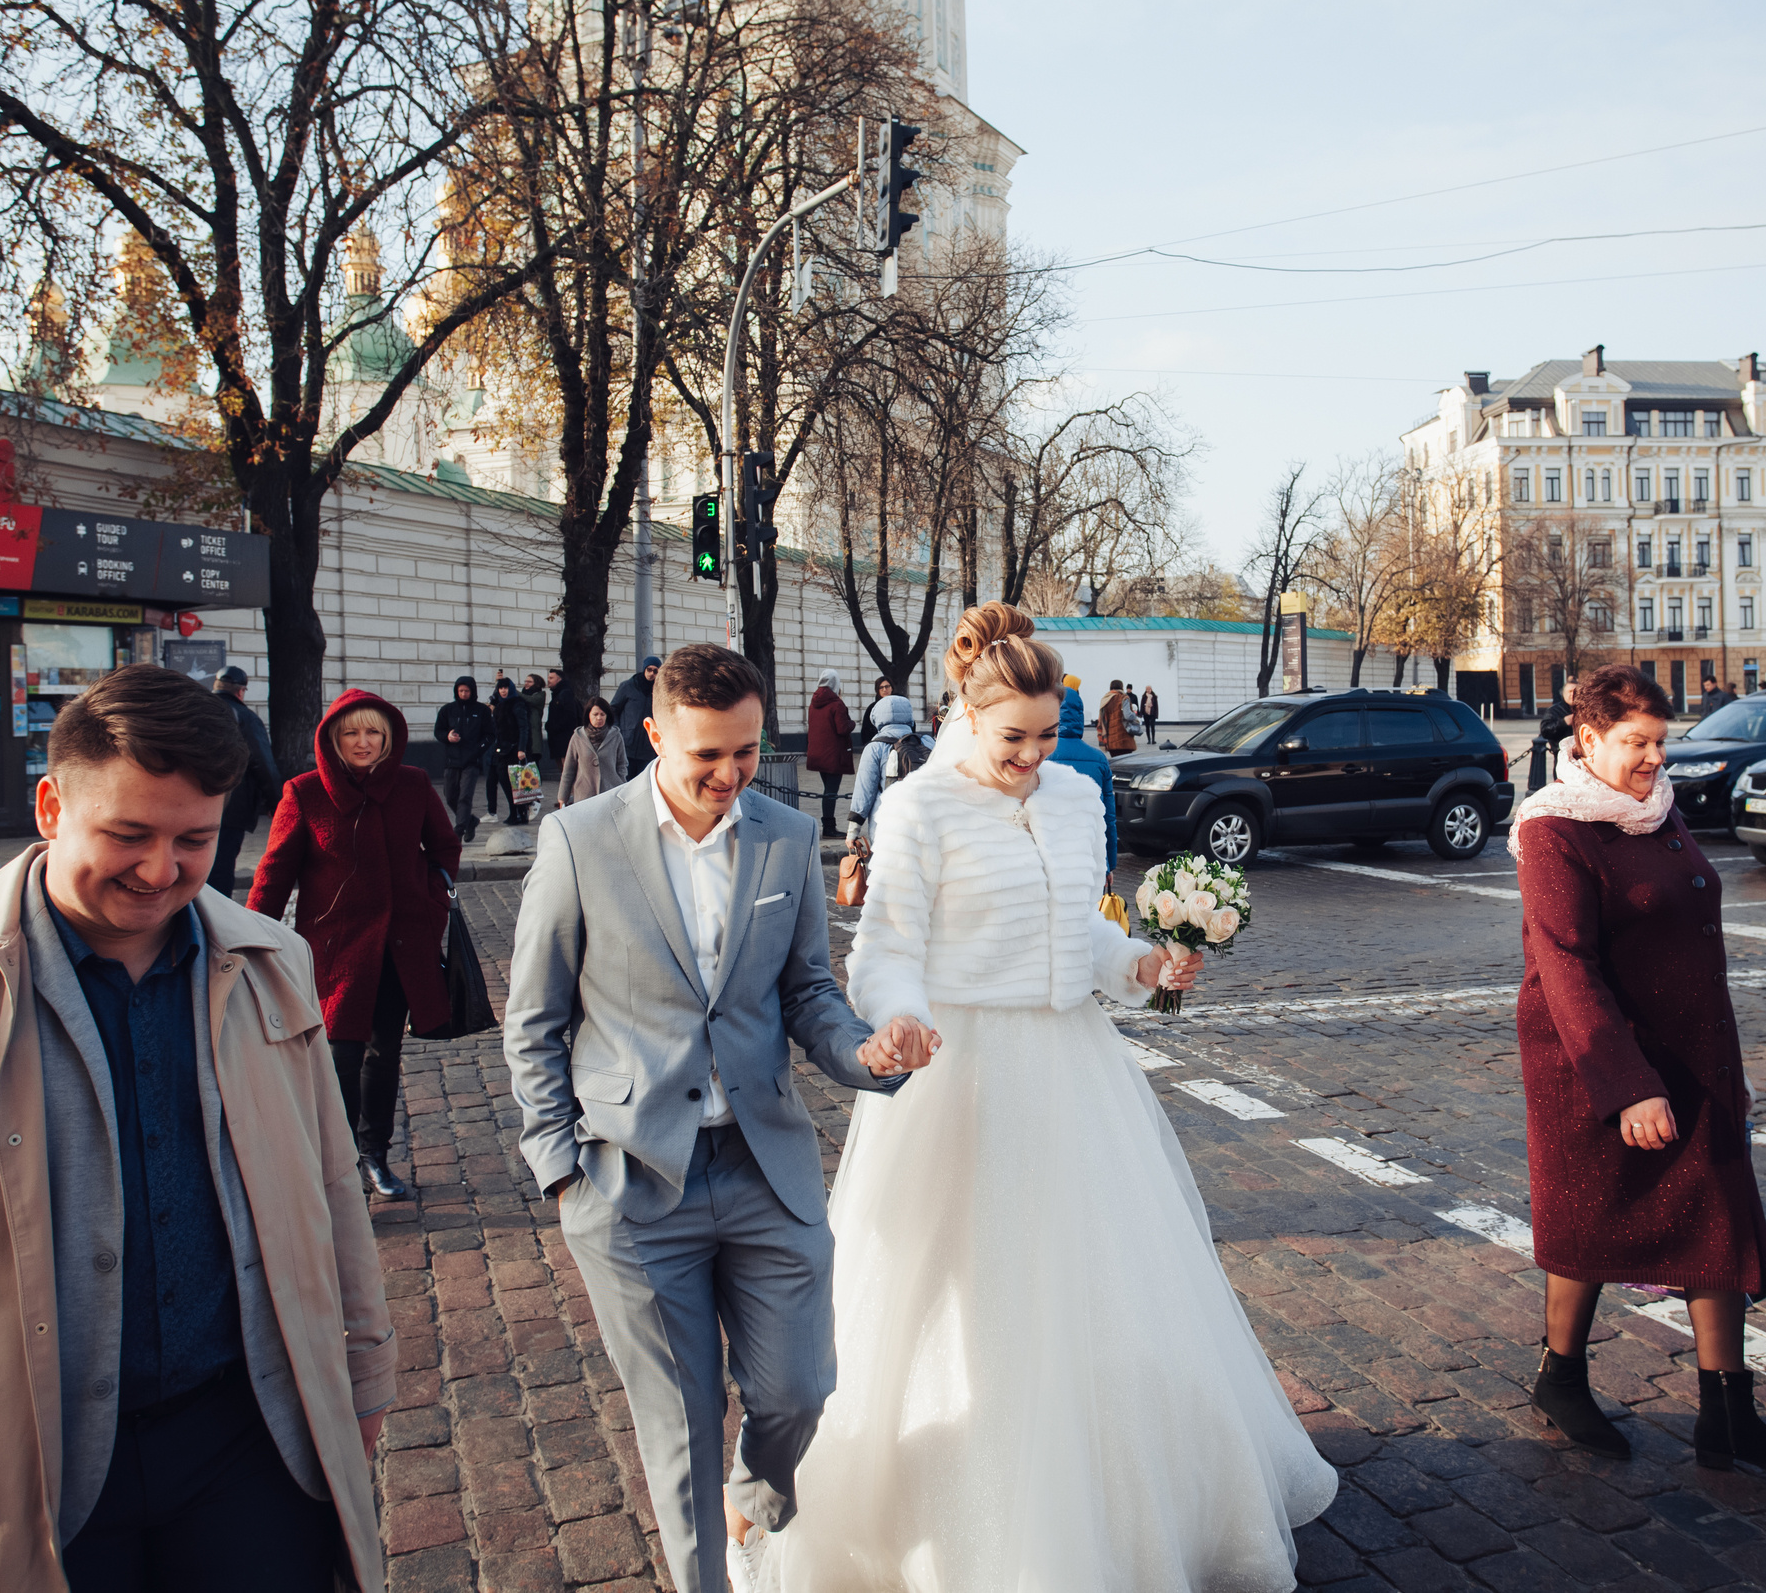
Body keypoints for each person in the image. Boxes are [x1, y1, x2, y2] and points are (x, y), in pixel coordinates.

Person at [0, 664, 394, 1591]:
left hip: (249, 1444)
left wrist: (362, 1368)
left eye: (194, 839)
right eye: (127, 833)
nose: (158, 868)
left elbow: (332, 1179)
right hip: (22, 1470)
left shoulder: (273, 962)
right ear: (52, 805)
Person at [759, 603, 1336, 1590]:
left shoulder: (1075, 798)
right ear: (966, 717)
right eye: (1010, 737)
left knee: (1103, 1285)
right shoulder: (918, 808)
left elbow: (1087, 937)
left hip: (1074, 1067)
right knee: (965, 1303)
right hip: (960, 1071)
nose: (1031, 756)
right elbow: (886, 950)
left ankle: (1121, 1503)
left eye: (1046, 735)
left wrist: (1147, 963)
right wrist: (895, 1021)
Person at [504, 644, 932, 1593]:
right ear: (655, 734)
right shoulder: (578, 840)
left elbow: (809, 990)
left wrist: (862, 1049)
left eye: (746, 752)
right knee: (682, 1429)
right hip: (628, 1178)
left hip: (763, 1163)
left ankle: (758, 1492)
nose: (730, 775)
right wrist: (563, 1169)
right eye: (708, 756)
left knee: (798, 1390)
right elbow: (534, 1019)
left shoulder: (783, 836)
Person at [1507, 664, 1766, 1479]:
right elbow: (1566, 964)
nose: (1656, 761)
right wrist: (1626, 1084)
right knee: (1591, 1217)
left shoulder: (1657, 810)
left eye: (1663, 743)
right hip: (1594, 1059)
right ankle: (1561, 1375)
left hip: (1691, 1053)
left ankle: (1729, 1414)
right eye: (1637, 743)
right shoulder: (1555, 830)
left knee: (1716, 1219)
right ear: (1588, 740)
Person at [249, 689, 461, 1201]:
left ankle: (374, 1155)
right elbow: (275, 873)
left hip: (399, 946)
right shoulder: (304, 793)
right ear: (333, 739)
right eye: (352, 733)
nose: (363, 742)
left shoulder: (411, 784)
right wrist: (252, 941)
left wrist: (430, 904)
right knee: (338, 1057)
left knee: (383, 1054)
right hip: (334, 951)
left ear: (388, 739)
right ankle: (336, 1164)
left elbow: (445, 846)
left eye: (373, 733)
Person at [208, 664, 280, 897]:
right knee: (221, 867)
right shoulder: (246, 718)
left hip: (193, 804)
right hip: (232, 807)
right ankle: (216, 924)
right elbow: (262, 763)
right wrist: (276, 803)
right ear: (241, 691)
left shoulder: (195, 712)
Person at [1053, 672, 1119, 883]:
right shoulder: (1098, 759)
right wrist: (1110, 864)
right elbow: (1108, 817)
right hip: (1092, 858)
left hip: (1053, 856)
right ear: (1080, 715)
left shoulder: (1039, 756)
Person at [846, 692, 924, 847]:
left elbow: (864, 792)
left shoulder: (875, 748)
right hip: (924, 824)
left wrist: (852, 832)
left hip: (886, 827)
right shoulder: (926, 743)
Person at [435, 673, 493, 841]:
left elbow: (489, 735)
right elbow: (438, 730)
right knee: (450, 795)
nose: (463, 694)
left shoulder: (481, 711)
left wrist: (478, 750)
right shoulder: (448, 710)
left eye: (466, 691)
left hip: (472, 761)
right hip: (452, 760)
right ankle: (471, 821)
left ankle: (459, 829)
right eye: (460, 691)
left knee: (465, 796)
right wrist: (448, 736)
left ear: (472, 691)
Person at [805, 671, 853, 837]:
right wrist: (852, 723)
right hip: (833, 755)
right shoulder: (837, 704)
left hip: (818, 754)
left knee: (828, 790)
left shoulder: (814, 703)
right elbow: (842, 728)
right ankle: (829, 827)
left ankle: (828, 825)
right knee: (831, 792)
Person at [556, 696, 627, 808]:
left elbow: (622, 764)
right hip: (584, 795)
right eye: (595, 714)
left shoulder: (615, 736)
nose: (599, 718)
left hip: (610, 793)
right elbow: (569, 769)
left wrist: (621, 786)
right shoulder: (578, 737)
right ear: (588, 715)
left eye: (602, 714)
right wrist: (562, 797)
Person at [489, 674, 534, 825]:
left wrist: (522, 748)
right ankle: (514, 811)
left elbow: (524, 728)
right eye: (500, 688)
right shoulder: (499, 704)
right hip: (502, 749)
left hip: (515, 750)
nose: (503, 691)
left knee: (518, 782)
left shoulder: (517, 704)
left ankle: (521, 812)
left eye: (505, 687)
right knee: (504, 780)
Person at [611, 654, 662, 779]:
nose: (651, 674)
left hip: (648, 748)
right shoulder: (628, 686)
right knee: (624, 780)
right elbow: (613, 709)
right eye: (649, 670)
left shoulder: (659, 691)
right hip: (627, 744)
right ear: (644, 669)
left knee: (643, 781)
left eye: (655, 671)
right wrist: (618, 729)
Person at [545, 669, 585, 767]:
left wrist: (553, 727)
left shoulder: (565, 694)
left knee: (566, 767)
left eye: (551, 678)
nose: (548, 680)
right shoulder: (558, 694)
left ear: (559, 679)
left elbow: (570, 716)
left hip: (563, 738)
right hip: (558, 738)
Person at [1096, 677, 1137, 755]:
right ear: (1121, 687)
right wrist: (1134, 715)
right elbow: (1128, 715)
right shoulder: (1123, 697)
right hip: (1124, 739)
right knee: (1126, 764)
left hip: (1111, 739)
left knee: (1116, 764)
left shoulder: (1105, 699)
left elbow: (1102, 720)